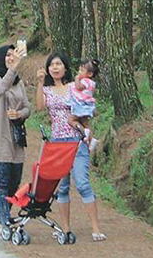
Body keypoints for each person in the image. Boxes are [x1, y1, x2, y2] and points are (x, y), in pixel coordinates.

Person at [36, 52, 105, 241]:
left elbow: (85, 108)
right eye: (51, 64)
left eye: (59, 64)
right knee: (63, 187)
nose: (55, 67)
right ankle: (65, 229)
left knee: (82, 183)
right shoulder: (47, 89)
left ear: (65, 67)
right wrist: (40, 83)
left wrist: (87, 130)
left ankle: (96, 228)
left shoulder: (73, 87)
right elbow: (40, 107)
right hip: (57, 142)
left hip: (76, 141)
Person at [0, 45, 30, 233]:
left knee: (14, 182)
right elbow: (1, 88)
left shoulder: (19, 83)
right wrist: (14, 67)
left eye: (13, 55)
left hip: (16, 140)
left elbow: (28, 107)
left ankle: (3, 217)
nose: (10, 58)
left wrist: (19, 114)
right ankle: (3, 221)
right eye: (7, 55)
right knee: (2, 182)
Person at [69, 58, 99, 151]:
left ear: (89, 74)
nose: (79, 72)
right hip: (86, 106)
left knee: (71, 120)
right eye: (79, 70)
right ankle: (92, 140)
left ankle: (84, 134)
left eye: (82, 70)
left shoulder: (85, 81)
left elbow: (78, 87)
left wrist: (77, 79)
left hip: (81, 106)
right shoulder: (92, 83)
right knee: (85, 122)